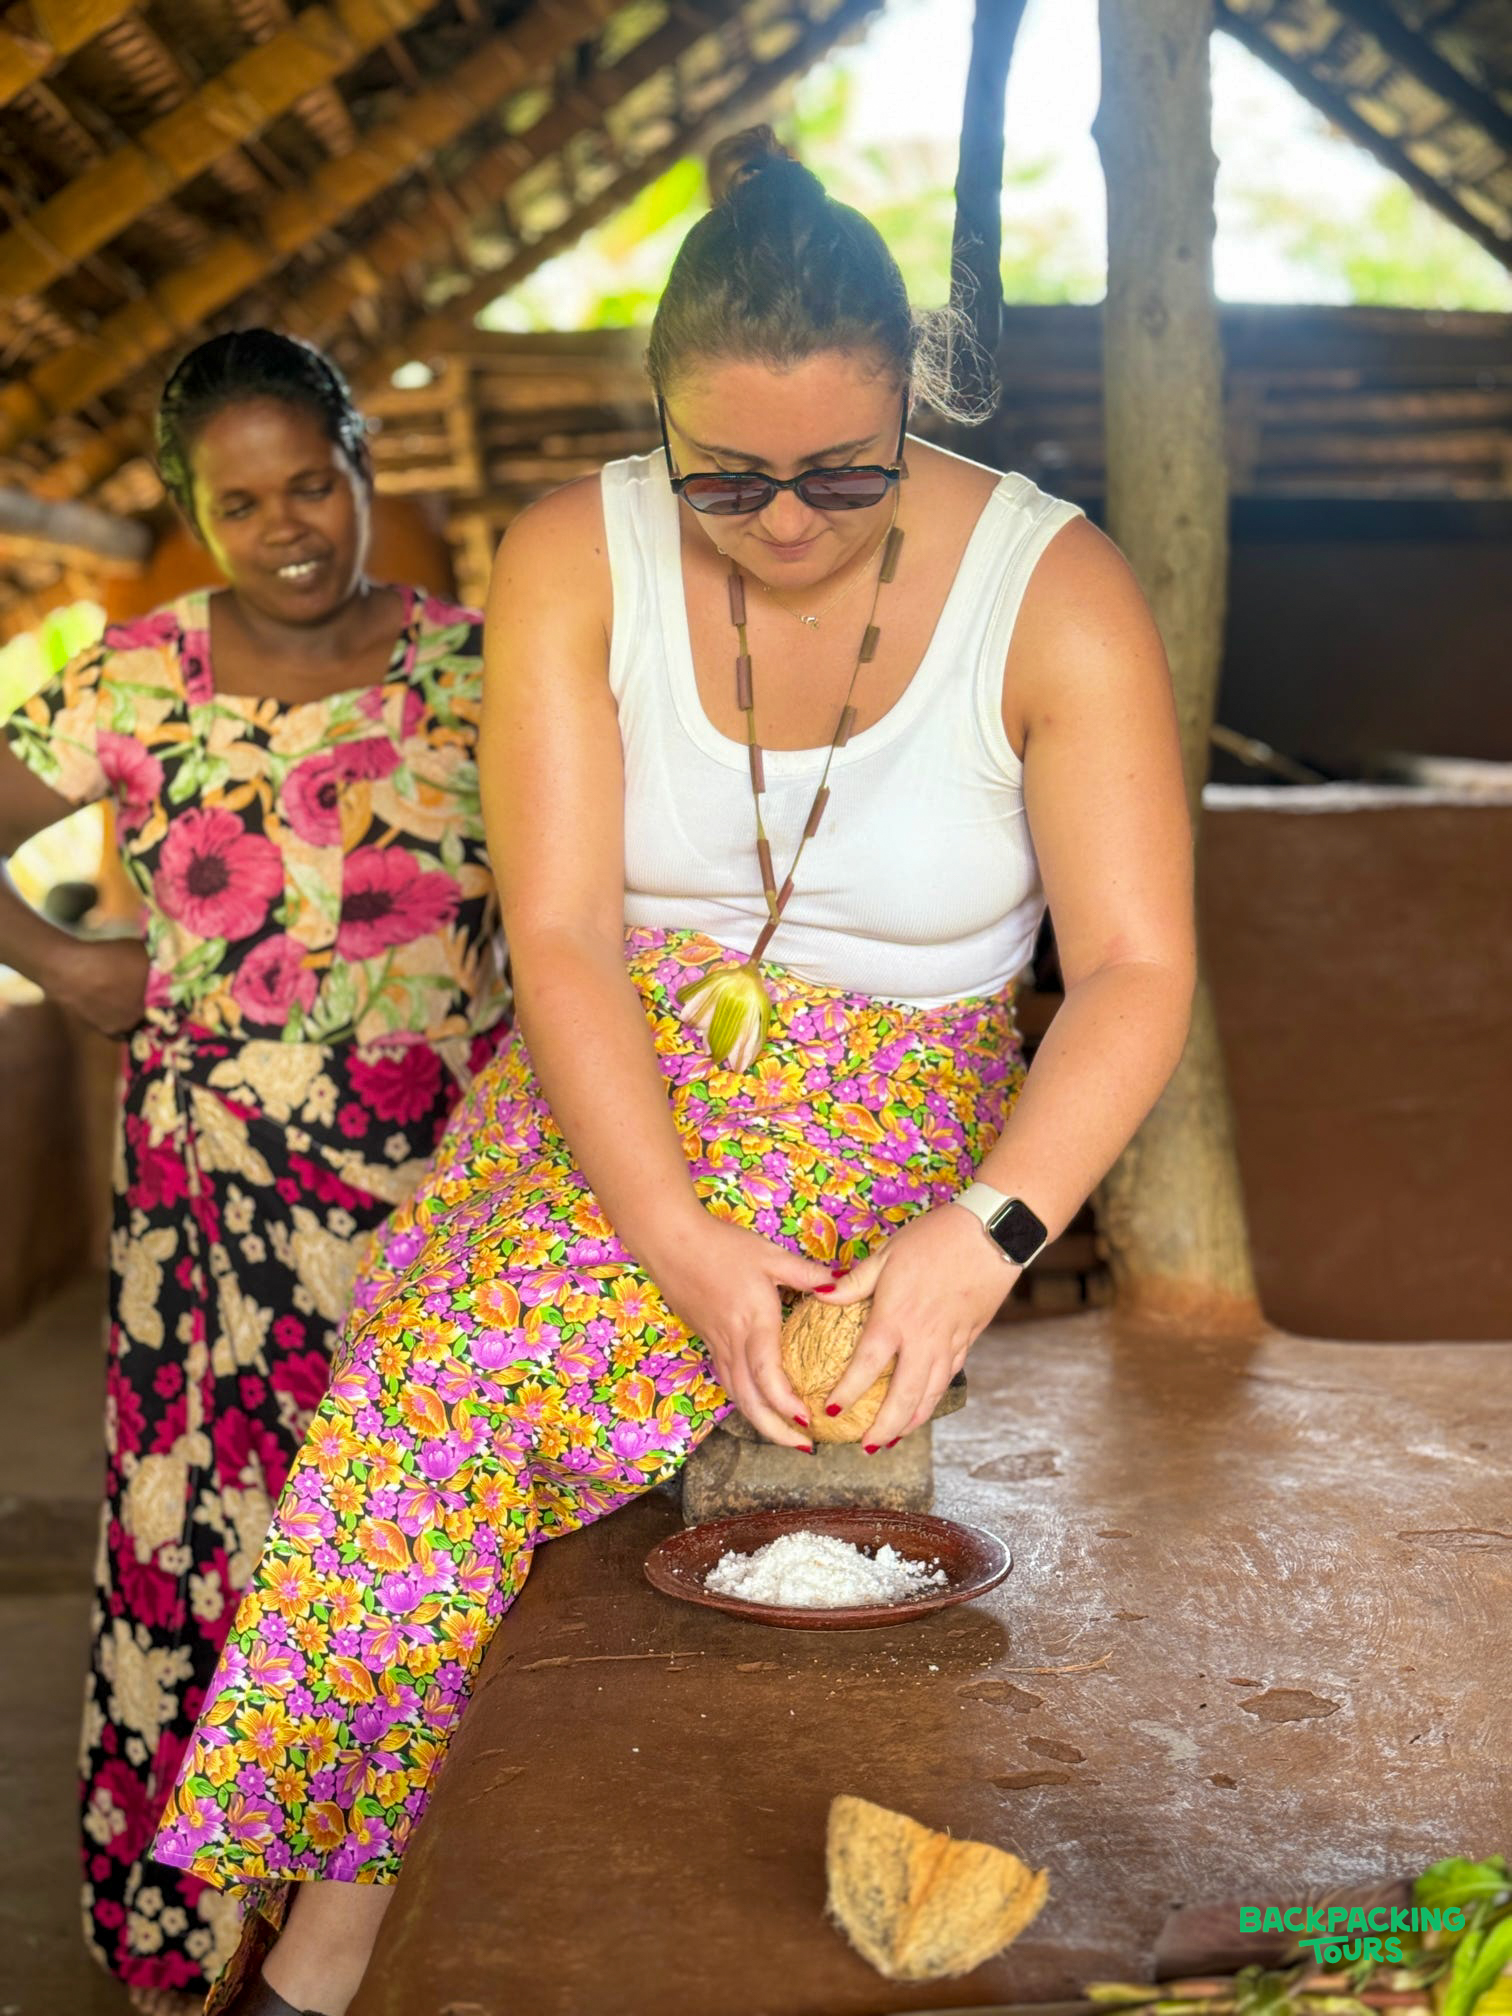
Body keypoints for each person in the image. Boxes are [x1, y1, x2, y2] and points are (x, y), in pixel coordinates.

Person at [153, 129, 1196, 2016]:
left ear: (916, 393)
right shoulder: (577, 552)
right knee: (432, 1368)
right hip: (609, 1068)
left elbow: (1136, 970)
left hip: (893, 1098)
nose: (784, 524)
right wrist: (679, 1237)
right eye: (725, 477)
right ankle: (331, 1931)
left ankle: (323, 1948)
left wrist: (983, 1240)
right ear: (655, 417)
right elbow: (557, 933)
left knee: (536, 1371)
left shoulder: (1054, 589)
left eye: (846, 472)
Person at [0, 329, 508, 2012]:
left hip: (438, 1210)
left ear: (364, 464)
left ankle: (403, 1942)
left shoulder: (485, 671)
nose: (289, 525)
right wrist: (64, 961)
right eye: (241, 503)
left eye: (313, 481)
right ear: (191, 514)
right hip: (205, 1222)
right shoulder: (129, 679)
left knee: (407, 1558)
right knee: (216, 1546)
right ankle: (207, 1942)